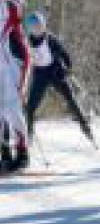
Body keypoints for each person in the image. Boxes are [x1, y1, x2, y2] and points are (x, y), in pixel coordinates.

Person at [22, 12, 95, 145]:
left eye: (38, 26)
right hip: (40, 75)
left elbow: (64, 54)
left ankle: (85, 127)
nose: (36, 30)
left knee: (71, 99)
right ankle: (29, 135)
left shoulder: (51, 39)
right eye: (33, 27)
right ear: (29, 29)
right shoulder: (27, 41)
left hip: (56, 72)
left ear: (43, 26)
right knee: (30, 108)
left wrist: (67, 68)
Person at [0, 0, 31, 173]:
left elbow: (18, 0)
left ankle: (22, 154)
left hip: (13, 68)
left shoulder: (11, 15)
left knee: (13, 111)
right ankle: (4, 154)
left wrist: (23, 81)